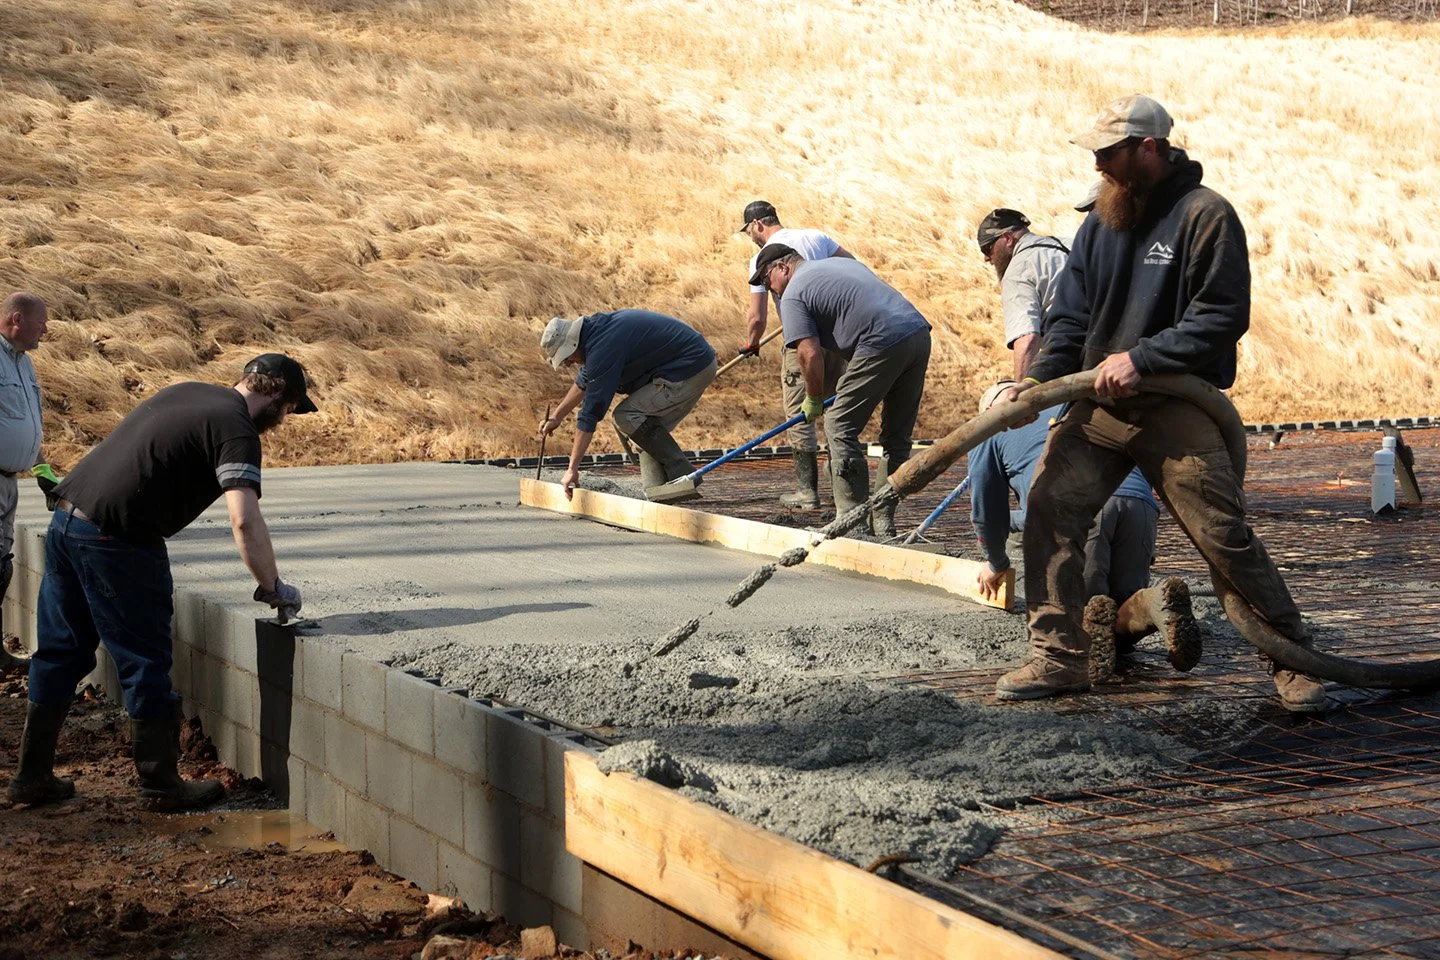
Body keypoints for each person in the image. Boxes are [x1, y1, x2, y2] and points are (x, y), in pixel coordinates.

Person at [993, 94, 1327, 713]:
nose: (1098, 165)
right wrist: (1036, 381)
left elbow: (1221, 316)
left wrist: (1142, 358)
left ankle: (1294, 661)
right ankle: (1059, 656)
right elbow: (1070, 320)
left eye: (1108, 153)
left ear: (1148, 147)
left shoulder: (1205, 216)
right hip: (1100, 406)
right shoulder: (1100, 225)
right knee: (1047, 508)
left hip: (1175, 403)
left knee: (1223, 536)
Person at [7, 354, 316, 807]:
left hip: (68, 522)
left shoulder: (189, 391)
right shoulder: (237, 429)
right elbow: (244, 520)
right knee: (145, 660)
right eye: (288, 408)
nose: (284, 419)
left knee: (60, 651)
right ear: (276, 394)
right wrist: (273, 586)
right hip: (118, 539)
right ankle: (161, 784)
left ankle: (31, 776)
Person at [752, 244, 931, 538]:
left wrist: (813, 399)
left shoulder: (794, 293)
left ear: (782, 268)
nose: (768, 288)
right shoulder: (842, 264)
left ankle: (851, 523)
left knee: (838, 424)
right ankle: (883, 521)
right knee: (897, 436)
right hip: (918, 334)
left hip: (879, 341)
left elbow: (809, 354)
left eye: (765, 279)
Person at [969, 382, 1158, 607]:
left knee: (1084, 611)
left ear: (988, 410)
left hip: (1081, 507)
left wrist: (996, 563)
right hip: (1140, 503)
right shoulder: (1069, 403)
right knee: (1131, 605)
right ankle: (1160, 605)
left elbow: (987, 514)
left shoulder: (991, 428)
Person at [738, 201, 855, 510]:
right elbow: (853, 267)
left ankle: (807, 491)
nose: (750, 237)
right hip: (837, 337)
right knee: (836, 408)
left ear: (757, 224)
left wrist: (752, 343)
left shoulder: (762, 259)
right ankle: (843, 489)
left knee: (800, 412)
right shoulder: (817, 237)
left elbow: (757, 317)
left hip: (802, 338)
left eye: (748, 231)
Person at [538, 310, 716, 500]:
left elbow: (589, 414)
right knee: (640, 428)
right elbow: (584, 382)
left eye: (567, 358)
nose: (569, 363)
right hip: (688, 364)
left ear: (572, 344)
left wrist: (572, 469)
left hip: (689, 367)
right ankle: (657, 491)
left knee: (626, 416)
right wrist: (556, 417)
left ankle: (683, 475)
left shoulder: (603, 347)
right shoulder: (595, 336)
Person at [0, 293, 48, 675]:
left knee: (2, 566)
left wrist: (46, 476)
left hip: (9, 483)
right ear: (17, 319)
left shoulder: (24, 363)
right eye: (41, 322)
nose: (45, 329)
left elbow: (29, 425)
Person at [976, 210, 1070, 381]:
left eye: (987, 249)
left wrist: (1021, 392)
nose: (987, 258)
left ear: (1008, 238)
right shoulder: (1071, 243)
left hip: (1075, 359)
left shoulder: (1018, 272)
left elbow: (1027, 340)